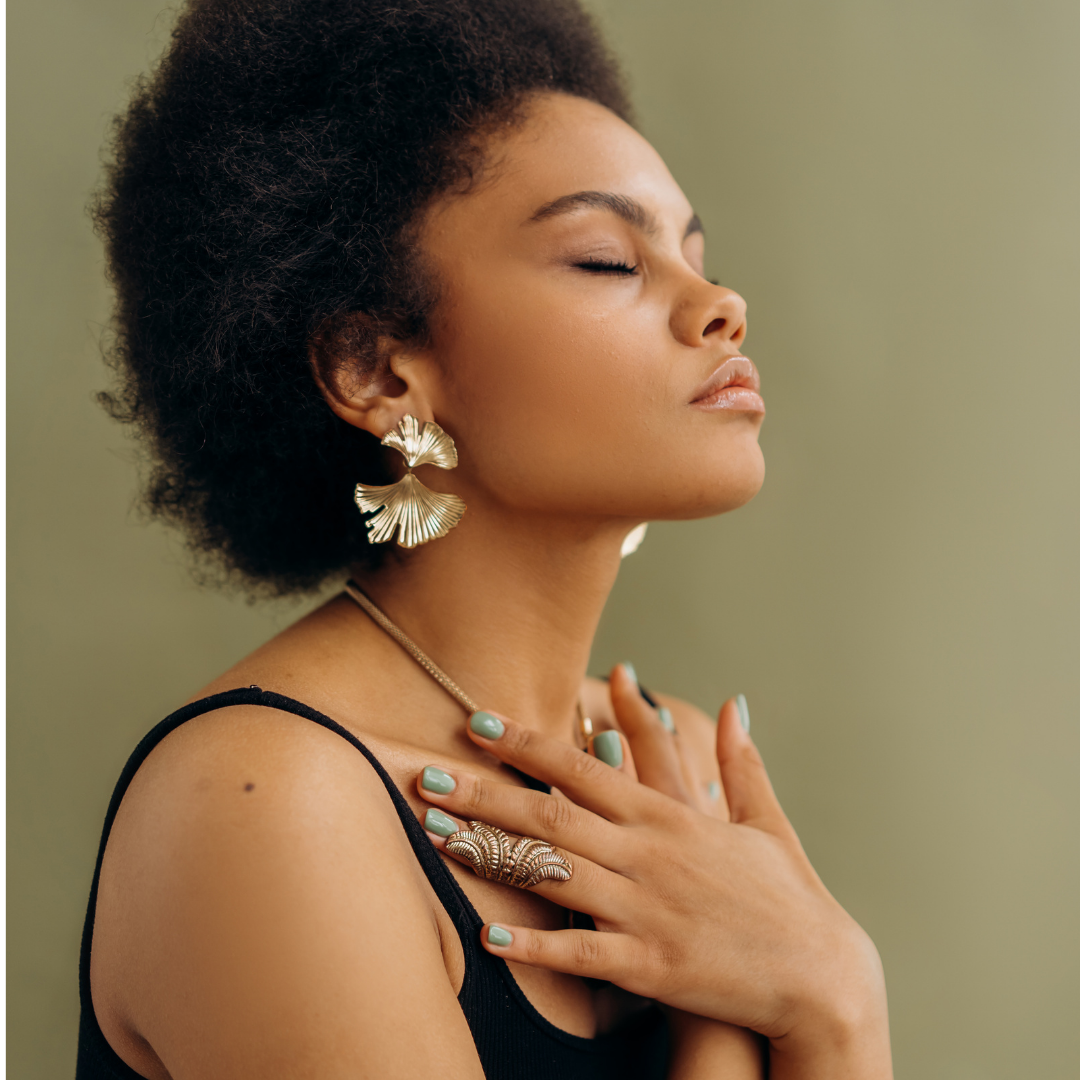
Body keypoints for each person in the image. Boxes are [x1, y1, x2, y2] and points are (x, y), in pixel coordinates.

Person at [78, 1, 892, 1076]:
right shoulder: (270, 806)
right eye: (608, 260)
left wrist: (834, 995)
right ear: (377, 371)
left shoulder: (672, 763)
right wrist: (779, 1004)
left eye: (696, 254)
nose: (719, 304)